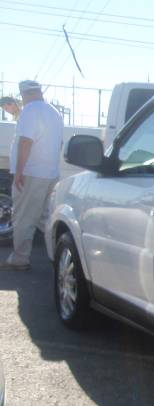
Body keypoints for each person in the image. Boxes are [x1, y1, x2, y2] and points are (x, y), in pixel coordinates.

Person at [0, 80, 63, 271]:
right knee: (45, 218)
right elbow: (59, 144)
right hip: (50, 173)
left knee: (23, 217)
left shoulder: (29, 111)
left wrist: (19, 172)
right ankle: (56, 257)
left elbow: (26, 142)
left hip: (31, 172)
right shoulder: (54, 112)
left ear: (24, 94)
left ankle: (20, 259)